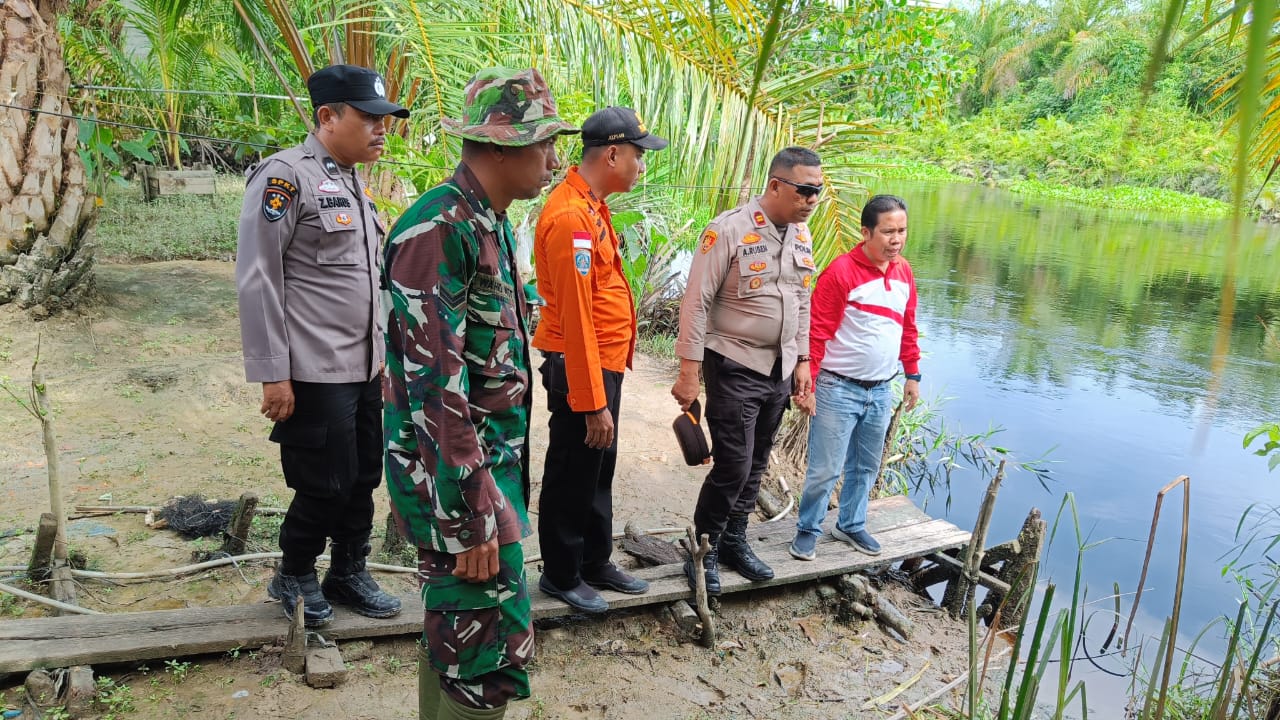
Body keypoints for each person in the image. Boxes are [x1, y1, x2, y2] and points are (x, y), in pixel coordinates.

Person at [382, 67, 577, 720]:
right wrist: (472, 514)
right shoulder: (439, 228)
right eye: (544, 142)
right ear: (498, 145)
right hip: (463, 488)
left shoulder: (487, 222)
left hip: (487, 478)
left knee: (467, 639)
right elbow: (433, 392)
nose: (554, 158)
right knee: (481, 656)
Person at [235, 64, 408, 628]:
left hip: (363, 365)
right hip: (313, 368)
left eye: (385, 120)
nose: (382, 130)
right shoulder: (286, 177)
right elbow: (259, 277)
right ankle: (294, 571)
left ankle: (348, 570)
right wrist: (273, 372)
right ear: (327, 117)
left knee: (362, 477)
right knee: (324, 481)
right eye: (370, 119)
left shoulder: (354, 179)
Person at [532, 107, 669, 613]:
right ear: (613, 153)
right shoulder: (571, 217)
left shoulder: (592, 206)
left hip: (603, 362)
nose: (640, 165)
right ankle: (562, 573)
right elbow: (576, 319)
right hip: (579, 365)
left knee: (598, 465)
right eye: (637, 155)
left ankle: (594, 559)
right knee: (573, 467)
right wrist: (592, 401)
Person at [671, 146, 821, 595]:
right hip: (735, 362)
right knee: (733, 464)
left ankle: (735, 540)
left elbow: (802, 302)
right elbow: (696, 301)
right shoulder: (729, 229)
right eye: (805, 190)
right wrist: (688, 371)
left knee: (756, 462)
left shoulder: (801, 237)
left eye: (819, 191)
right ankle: (705, 549)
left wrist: (804, 361)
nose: (813, 199)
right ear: (776, 185)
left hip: (780, 366)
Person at [788, 194, 920, 562]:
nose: (896, 239)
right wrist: (807, 385)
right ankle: (807, 530)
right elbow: (817, 333)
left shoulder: (904, 272)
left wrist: (912, 374)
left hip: (881, 388)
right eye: (888, 232)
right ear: (866, 232)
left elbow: (908, 327)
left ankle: (850, 523)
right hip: (837, 387)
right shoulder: (842, 272)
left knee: (865, 465)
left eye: (902, 231)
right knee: (825, 468)